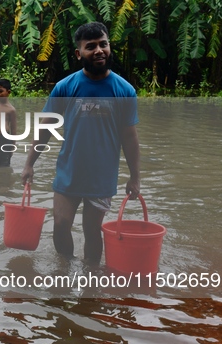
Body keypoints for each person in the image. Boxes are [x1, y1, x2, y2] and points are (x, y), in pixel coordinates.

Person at [21, 22, 140, 265]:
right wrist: (29, 164)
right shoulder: (66, 87)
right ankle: (64, 269)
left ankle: (90, 280)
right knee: (61, 225)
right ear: (79, 54)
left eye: (103, 44)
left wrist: (135, 177)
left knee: (92, 231)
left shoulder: (124, 90)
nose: (99, 50)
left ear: (109, 47)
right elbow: (45, 129)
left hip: (102, 176)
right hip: (69, 171)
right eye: (91, 46)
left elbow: (129, 137)